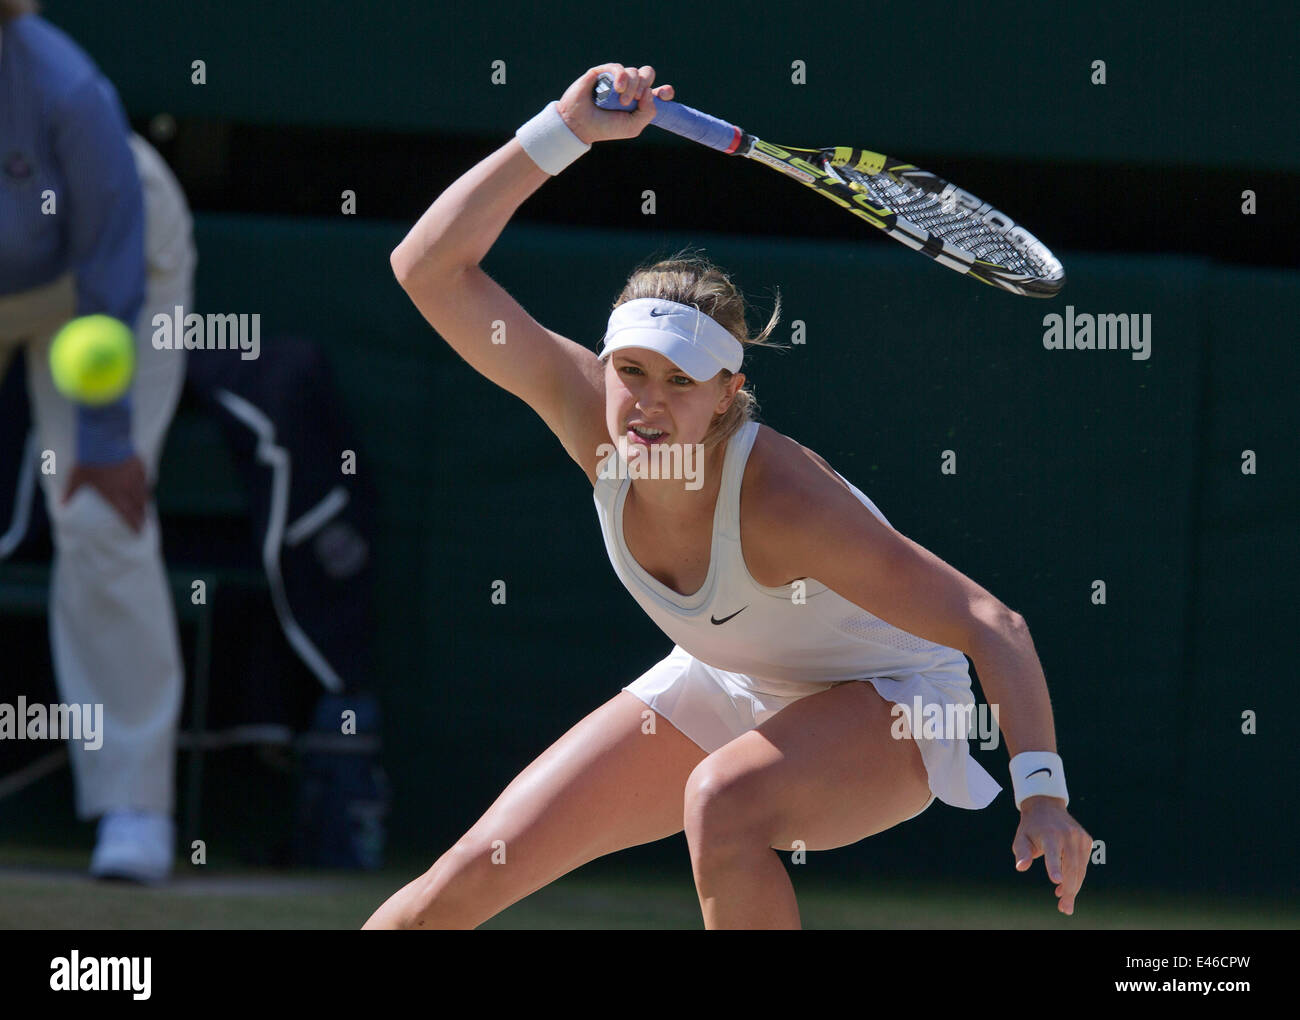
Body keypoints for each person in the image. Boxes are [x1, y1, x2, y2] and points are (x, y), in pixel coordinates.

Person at [364, 62, 1092, 930]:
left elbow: (991, 623)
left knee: (722, 803)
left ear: (727, 392)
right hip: (731, 675)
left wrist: (1041, 794)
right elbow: (427, 268)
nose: (648, 402)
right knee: (456, 887)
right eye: (631, 373)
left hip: (894, 700)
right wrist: (561, 132)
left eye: (682, 382)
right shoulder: (590, 412)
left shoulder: (783, 501)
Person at [0, 2, 192, 882]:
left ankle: (135, 807)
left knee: (94, 515)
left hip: (110, 266)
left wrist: (104, 438)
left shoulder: (65, 89)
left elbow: (112, 257)